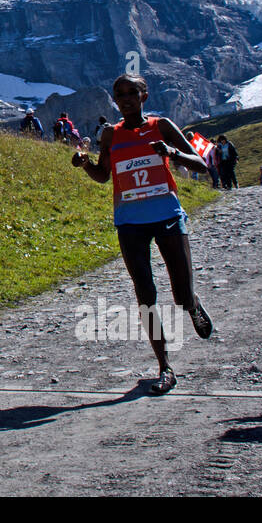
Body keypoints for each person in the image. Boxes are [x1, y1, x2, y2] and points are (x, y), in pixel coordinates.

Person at [70, 74, 214, 394]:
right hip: (130, 223)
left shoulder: (162, 126)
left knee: (180, 294)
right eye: (119, 94)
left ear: (144, 95)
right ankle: (165, 367)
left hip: (167, 217)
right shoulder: (110, 134)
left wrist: (172, 154)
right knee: (146, 295)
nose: (125, 99)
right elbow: (103, 176)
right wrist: (85, 164)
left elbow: (201, 165)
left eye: (131, 92)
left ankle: (192, 304)